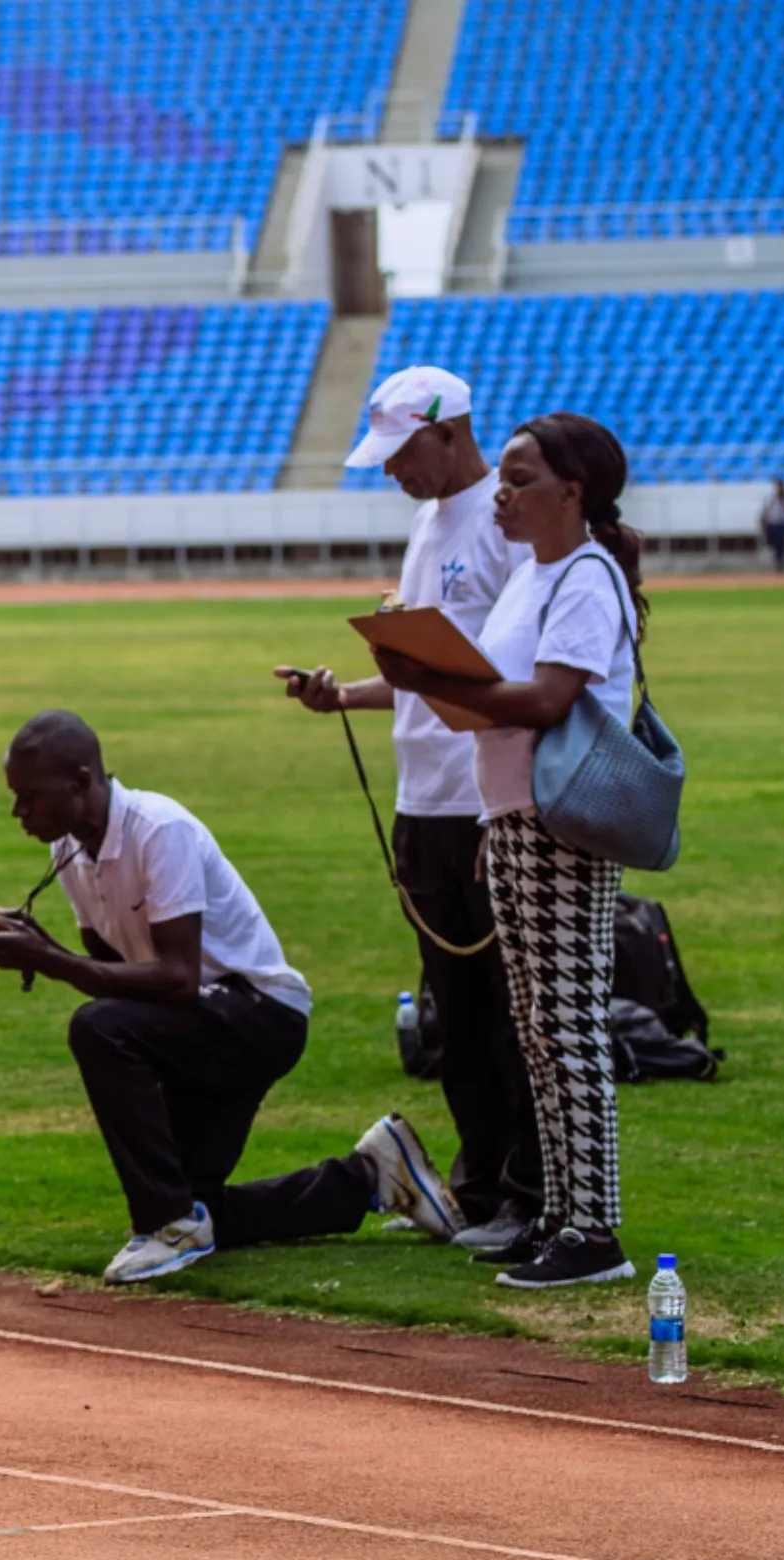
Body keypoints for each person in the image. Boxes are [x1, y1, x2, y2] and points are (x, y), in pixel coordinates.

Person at [0, 712, 460, 1285]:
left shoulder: (157, 829)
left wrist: (48, 961)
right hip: (204, 1020)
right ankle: (371, 1174)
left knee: (97, 1029)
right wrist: (37, 946)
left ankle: (168, 1227)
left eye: (29, 797)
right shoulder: (71, 850)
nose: (18, 813)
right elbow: (116, 972)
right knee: (198, 1203)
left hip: (259, 1015)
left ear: (79, 781)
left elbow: (176, 978)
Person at [370, 413, 649, 1289]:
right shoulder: (537, 574)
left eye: (522, 479)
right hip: (513, 816)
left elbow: (547, 700)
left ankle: (594, 1230)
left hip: (562, 819)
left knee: (567, 1029)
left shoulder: (587, 576)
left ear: (573, 491)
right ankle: (556, 1212)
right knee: (534, 1026)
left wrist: (435, 679)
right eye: (506, 478)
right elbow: (502, 695)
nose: (504, 492)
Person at [277, 365, 540, 1254]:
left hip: (483, 800)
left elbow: (513, 676)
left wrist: (500, 811)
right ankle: (474, 1185)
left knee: (511, 1012)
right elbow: (425, 679)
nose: (393, 474)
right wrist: (342, 695)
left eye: (401, 454)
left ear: (450, 431)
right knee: (454, 1015)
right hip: (422, 799)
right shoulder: (428, 527)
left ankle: (526, 1197)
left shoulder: (507, 525)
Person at [762, 477, 784, 573]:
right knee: (773, 544)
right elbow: (765, 511)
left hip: (782, 524)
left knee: (782, 545)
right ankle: (777, 562)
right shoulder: (770, 497)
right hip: (773, 524)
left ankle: (781, 564)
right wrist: (764, 524)